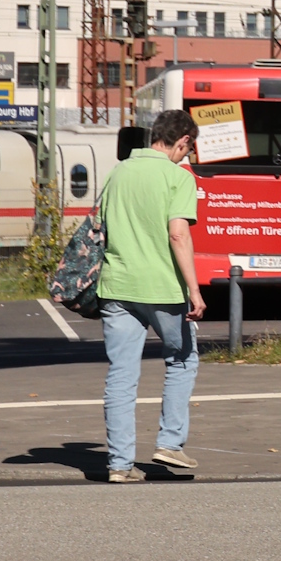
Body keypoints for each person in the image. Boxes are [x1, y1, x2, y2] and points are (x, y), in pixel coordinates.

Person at [99, 108, 205, 483]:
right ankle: (170, 443)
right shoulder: (178, 178)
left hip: (116, 286)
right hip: (161, 287)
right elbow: (178, 234)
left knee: (121, 375)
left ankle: (119, 465)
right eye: (189, 149)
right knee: (182, 358)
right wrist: (194, 290)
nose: (186, 156)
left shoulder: (118, 172)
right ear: (183, 141)